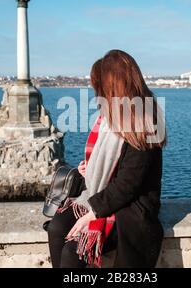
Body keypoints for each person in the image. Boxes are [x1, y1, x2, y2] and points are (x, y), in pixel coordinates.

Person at [47, 49, 166, 268]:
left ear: (113, 87)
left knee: (73, 252)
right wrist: (89, 169)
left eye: (100, 88)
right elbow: (107, 164)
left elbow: (128, 184)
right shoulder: (110, 117)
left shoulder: (144, 123)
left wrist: (92, 214)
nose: (98, 94)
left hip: (130, 210)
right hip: (102, 195)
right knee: (56, 228)